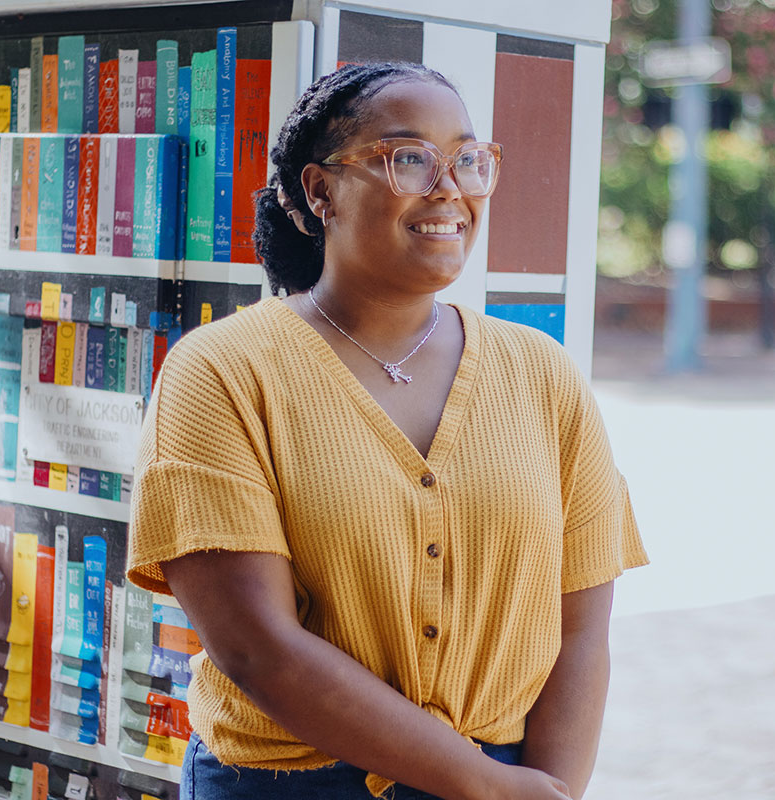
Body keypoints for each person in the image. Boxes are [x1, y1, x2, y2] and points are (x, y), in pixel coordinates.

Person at [126, 61, 647, 800]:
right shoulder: (221, 372)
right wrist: (487, 789)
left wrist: (549, 790)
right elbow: (255, 647)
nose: (450, 187)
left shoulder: (541, 374)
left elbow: (582, 629)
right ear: (320, 190)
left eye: (467, 159)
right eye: (409, 159)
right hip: (290, 787)